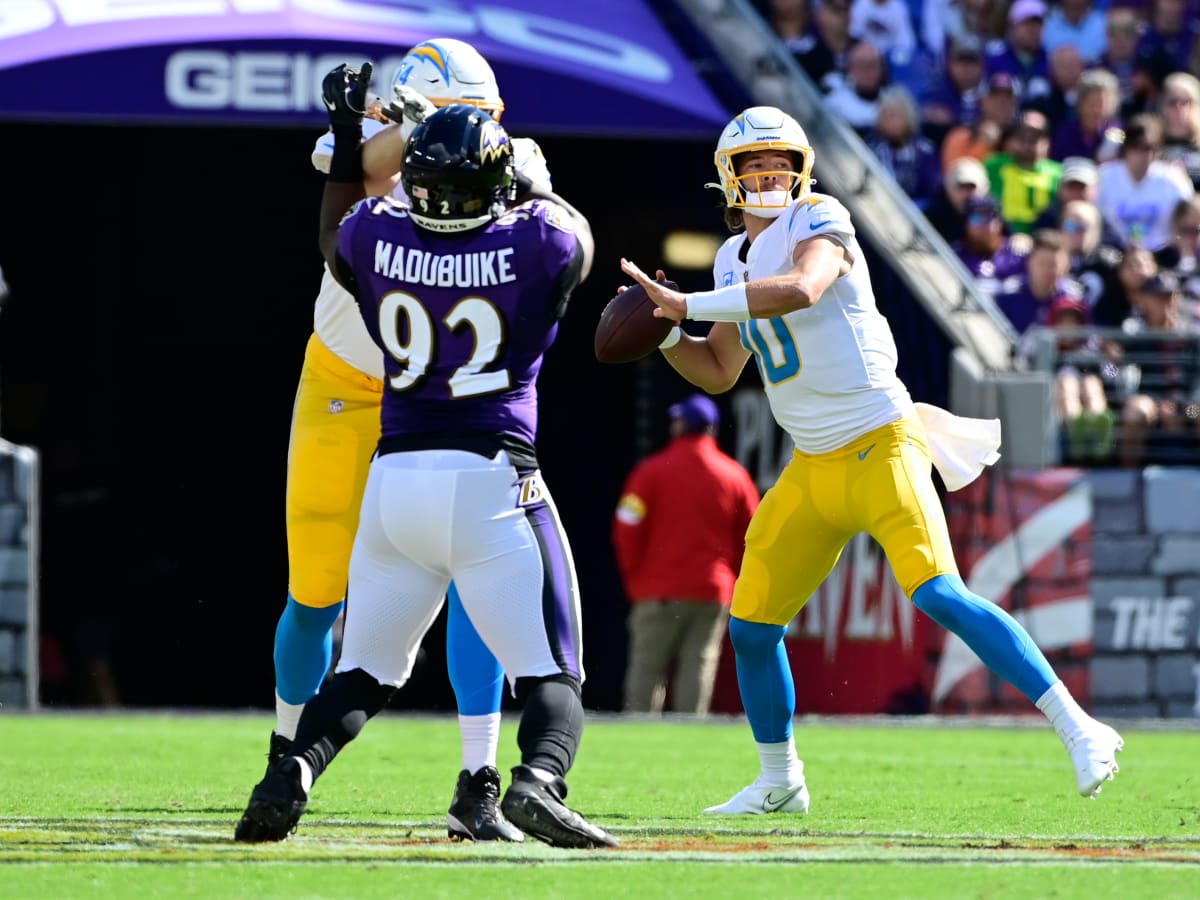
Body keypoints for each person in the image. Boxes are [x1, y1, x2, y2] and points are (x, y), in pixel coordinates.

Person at [619, 105, 1124, 815]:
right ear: (729, 178)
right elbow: (720, 370)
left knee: (939, 593)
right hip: (813, 467)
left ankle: (1080, 726)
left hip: (882, 442)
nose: (768, 177)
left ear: (801, 174)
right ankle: (779, 778)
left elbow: (802, 288)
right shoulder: (733, 258)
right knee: (752, 627)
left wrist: (690, 299)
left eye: (779, 165)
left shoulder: (818, 216)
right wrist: (671, 334)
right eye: (754, 166)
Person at [236, 67, 617, 849]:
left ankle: (292, 770)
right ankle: (538, 780)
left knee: (364, 670)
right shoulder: (532, 242)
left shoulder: (379, 238)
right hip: (492, 479)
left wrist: (351, 136)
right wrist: (534, 179)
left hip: (396, 481)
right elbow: (574, 237)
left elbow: (336, 225)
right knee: (554, 668)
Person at [613, 395, 760, 715]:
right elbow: (755, 535)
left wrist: (636, 578)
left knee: (647, 669)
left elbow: (626, 527)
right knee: (699, 666)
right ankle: (691, 738)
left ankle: (639, 739)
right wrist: (732, 578)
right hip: (712, 591)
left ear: (681, 426)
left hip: (658, 591)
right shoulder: (735, 476)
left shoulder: (650, 472)